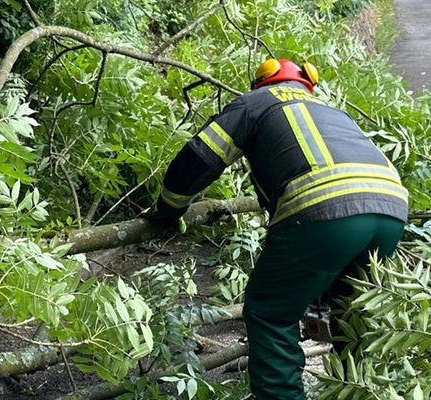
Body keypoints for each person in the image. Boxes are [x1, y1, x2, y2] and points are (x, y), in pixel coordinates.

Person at [147, 58, 408, 400]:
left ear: (262, 83)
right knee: (352, 315)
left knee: (271, 312)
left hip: (323, 207)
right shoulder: (335, 113)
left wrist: (168, 210)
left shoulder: (253, 103)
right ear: (307, 85)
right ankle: (356, 393)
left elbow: (199, 157)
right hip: (392, 209)